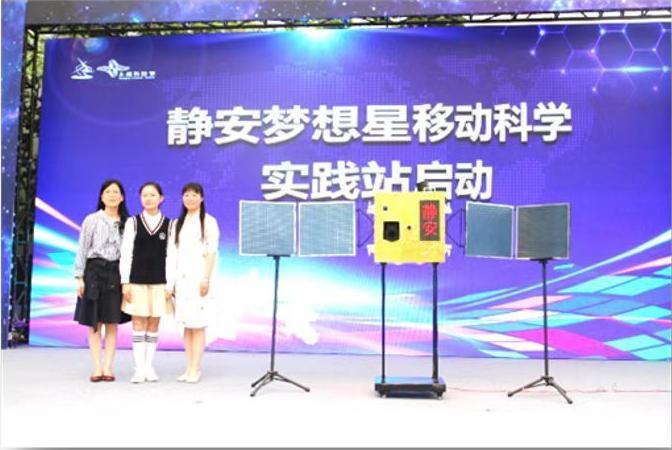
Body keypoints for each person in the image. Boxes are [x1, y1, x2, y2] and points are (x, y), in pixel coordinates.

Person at [74, 179, 131, 382]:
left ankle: (108, 367)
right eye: (108, 192)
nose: (112, 195)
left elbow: (129, 254)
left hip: (116, 273)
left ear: (122, 197)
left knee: (112, 323)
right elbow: (82, 248)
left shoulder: (128, 223)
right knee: (94, 323)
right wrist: (79, 277)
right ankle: (97, 367)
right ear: (101, 196)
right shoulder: (92, 220)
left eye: (116, 192)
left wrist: (127, 280)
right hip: (94, 272)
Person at [166, 182, 219, 384]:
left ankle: (196, 368)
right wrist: (171, 283)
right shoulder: (176, 224)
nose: (190, 198)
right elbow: (172, 254)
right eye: (186, 195)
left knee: (198, 325)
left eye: (194, 195)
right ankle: (188, 367)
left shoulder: (209, 222)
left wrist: (206, 279)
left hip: (199, 280)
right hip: (181, 281)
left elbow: (211, 252)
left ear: (201, 198)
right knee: (187, 326)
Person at [120, 181, 172, 383]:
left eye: (152, 195)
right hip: (136, 281)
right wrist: (125, 282)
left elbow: (172, 256)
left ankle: (149, 366)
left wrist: (170, 284)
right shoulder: (132, 222)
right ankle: (139, 368)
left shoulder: (170, 225)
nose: (148, 199)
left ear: (161, 198)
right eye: (144, 195)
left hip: (160, 282)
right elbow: (126, 253)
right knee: (138, 322)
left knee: (153, 323)